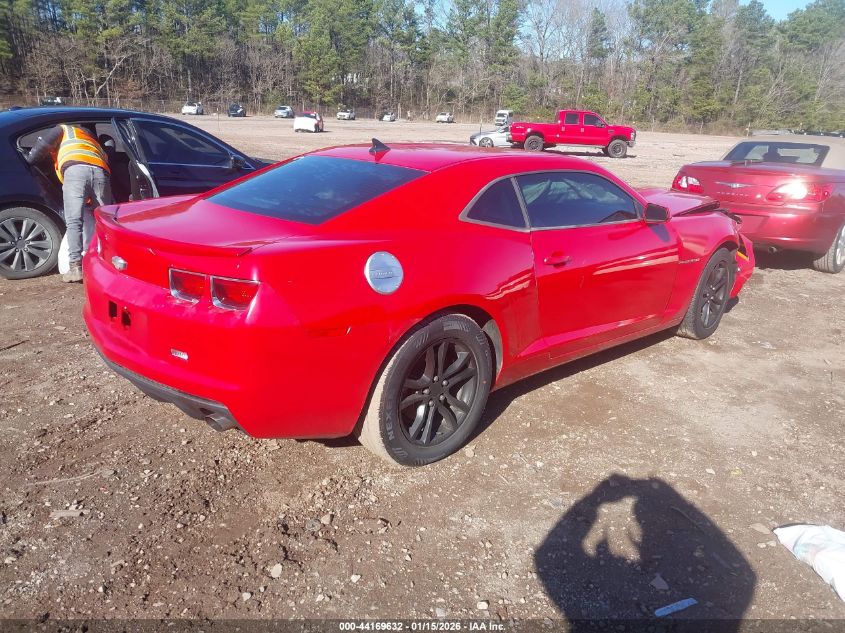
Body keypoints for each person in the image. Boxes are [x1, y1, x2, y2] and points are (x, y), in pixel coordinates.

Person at [26, 123, 112, 282]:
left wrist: (30, 158)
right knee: (104, 221)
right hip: (101, 173)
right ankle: (106, 263)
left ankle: (75, 268)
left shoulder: (63, 129)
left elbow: (36, 154)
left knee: (74, 221)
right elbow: (107, 158)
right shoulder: (92, 142)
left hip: (75, 172)